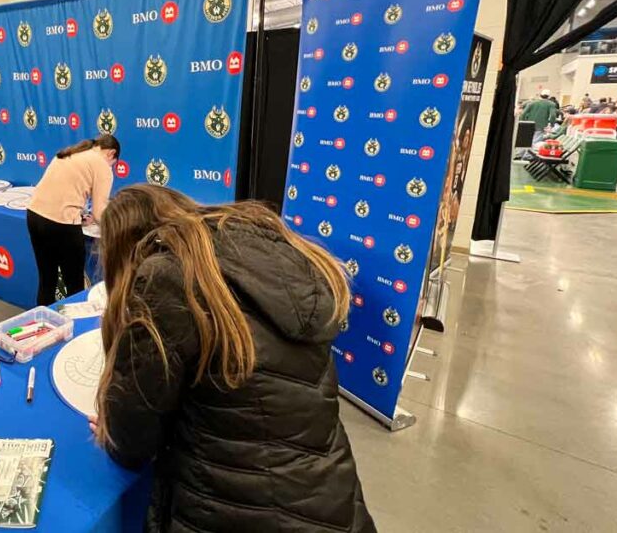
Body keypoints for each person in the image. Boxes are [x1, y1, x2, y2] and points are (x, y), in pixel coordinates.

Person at [92, 186, 374, 532]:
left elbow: (131, 437)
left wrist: (113, 423)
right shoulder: (269, 248)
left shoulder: (167, 275)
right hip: (333, 500)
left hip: (233, 509)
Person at [27, 134, 119, 304]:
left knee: (47, 280)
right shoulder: (102, 165)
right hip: (61, 224)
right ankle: (73, 328)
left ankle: (43, 326)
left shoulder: (70, 153)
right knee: (74, 286)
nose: (112, 168)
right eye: (114, 164)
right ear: (111, 154)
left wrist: (80, 215)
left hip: (34, 216)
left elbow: (62, 191)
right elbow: (100, 213)